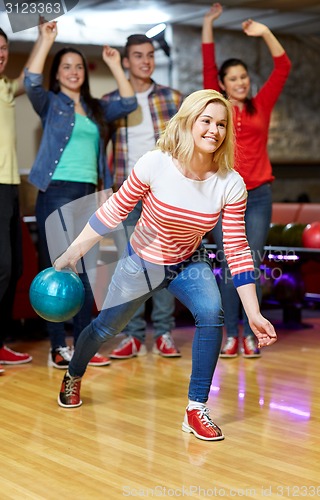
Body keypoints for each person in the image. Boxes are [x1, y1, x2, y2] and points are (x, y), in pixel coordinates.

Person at [54, 89, 277, 442]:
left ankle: (196, 408)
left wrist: (252, 313)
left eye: (221, 124)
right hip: (141, 263)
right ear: (189, 122)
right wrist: (71, 254)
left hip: (189, 261)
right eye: (206, 121)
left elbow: (236, 248)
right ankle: (74, 373)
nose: (213, 130)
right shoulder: (155, 163)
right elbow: (113, 211)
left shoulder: (230, 183)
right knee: (104, 329)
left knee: (211, 311)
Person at [24, 21, 138, 368]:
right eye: (66, 67)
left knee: (86, 275)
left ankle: (83, 347)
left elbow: (129, 101)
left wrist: (116, 64)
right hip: (55, 192)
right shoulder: (50, 103)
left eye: (77, 67)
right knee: (57, 271)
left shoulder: (96, 109)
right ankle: (59, 347)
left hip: (90, 196)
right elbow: (30, 80)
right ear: (57, 74)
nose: (73, 72)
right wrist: (46, 40)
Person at [202, 3, 291, 358]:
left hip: (258, 196)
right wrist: (208, 23)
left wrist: (265, 32)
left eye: (244, 77)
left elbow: (283, 67)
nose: (240, 82)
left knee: (250, 261)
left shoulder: (262, 104)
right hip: (224, 196)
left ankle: (250, 333)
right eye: (233, 78)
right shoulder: (217, 108)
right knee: (228, 264)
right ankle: (229, 335)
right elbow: (208, 63)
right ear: (222, 85)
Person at [103, 34, 183, 360]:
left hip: (163, 193)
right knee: (130, 266)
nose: (145, 61)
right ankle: (133, 335)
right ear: (126, 61)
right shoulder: (111, 102)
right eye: (138, 56)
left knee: (163, 264)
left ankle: (163, 333)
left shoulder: (173, 98)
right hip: (127, 191)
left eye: (150, 55)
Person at [0, 26, 43, 372]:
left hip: (11, 187)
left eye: (3, 48)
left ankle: (1, 343)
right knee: (1, 268)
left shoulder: (4, 88)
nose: (0, 53)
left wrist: (44, 38)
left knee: (13, 269)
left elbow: (28, 76)